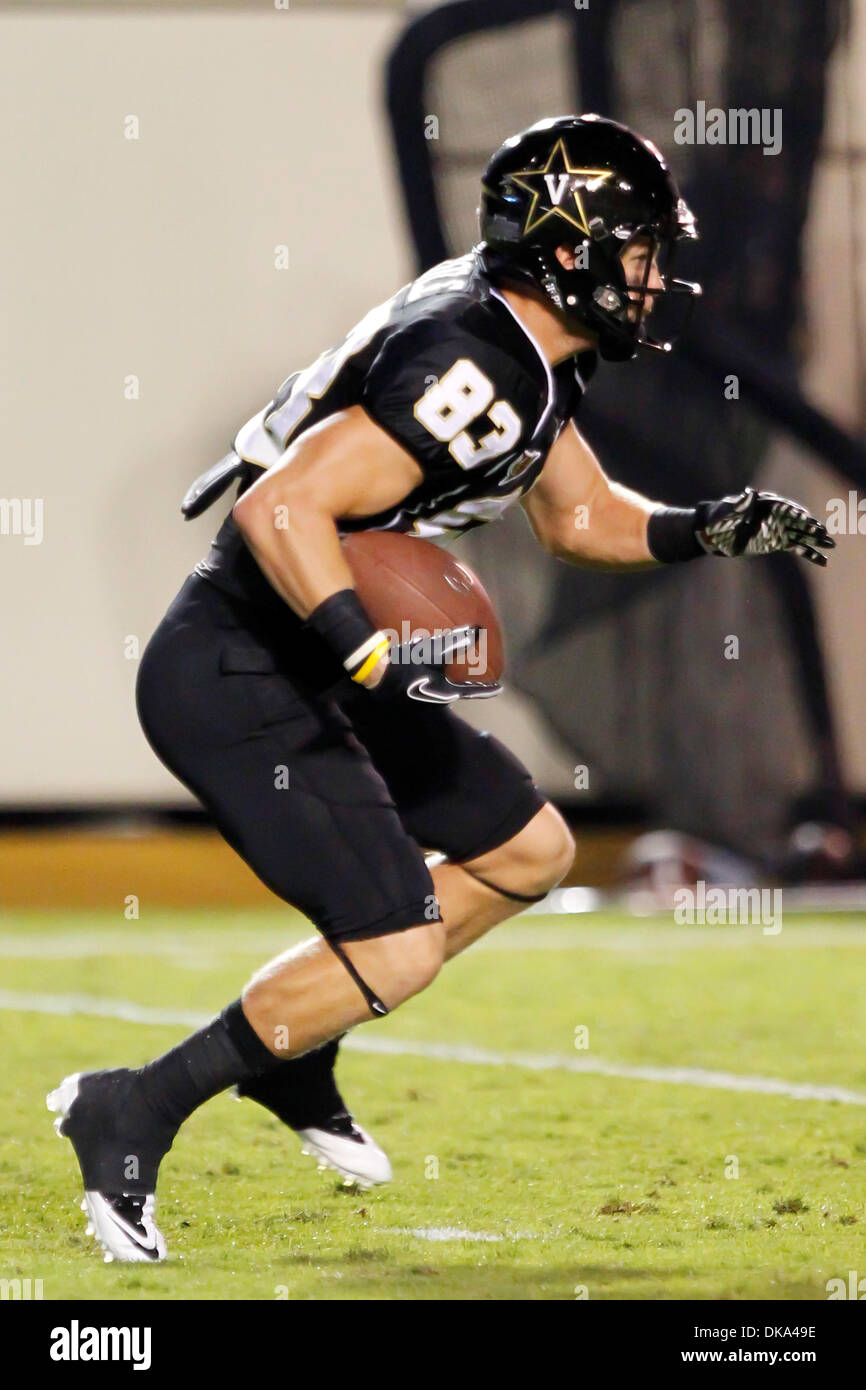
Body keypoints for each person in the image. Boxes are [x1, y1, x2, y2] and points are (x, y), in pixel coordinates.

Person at [47, 114, 832, 1261]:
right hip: (242, 664)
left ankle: (295, 1052)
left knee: (529, 852)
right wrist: (369, 651)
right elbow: (278, 509)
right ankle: (132, 1107)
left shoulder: (520, 344)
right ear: (565, 249)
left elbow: (578, 515)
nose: (651, 274)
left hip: (316, 652)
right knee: (398, 943)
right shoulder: (479, 362)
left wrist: (705, 527)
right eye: (634, 248)